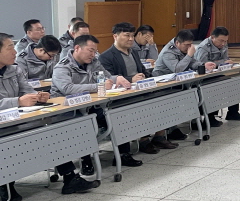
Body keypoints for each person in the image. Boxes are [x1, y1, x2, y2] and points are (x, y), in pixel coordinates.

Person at [0, 33, 98, 200]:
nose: (15, 52)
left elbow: (27, 91)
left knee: (51, 132)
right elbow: (19, 99)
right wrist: (18, 101)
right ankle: (5, 185)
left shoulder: (14, 69)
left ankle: (70, 178)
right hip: (4, 126)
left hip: (18, 120)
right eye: (10, 48)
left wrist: (38, 96)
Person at [51, 34, 143, 170]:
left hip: (90, 105)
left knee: (117, 118)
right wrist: (98, 86)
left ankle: (123, 154)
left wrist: (117, 78)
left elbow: (107, 76)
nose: (93, 54)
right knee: (84, 125)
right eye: (90, 50)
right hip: (68, 109)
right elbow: (67, 89)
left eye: (95, 51)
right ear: (77, 48)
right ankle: (86, 160)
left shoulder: (94, 62)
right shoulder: (62, 67)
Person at [99, 22, 176, 152]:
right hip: (123, 96)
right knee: (143, 105)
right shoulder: (106, 56)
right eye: (126, 35)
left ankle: (159, 136)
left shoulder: (133, 52)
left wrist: (145, 76)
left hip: (140, 89)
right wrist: (131, 79)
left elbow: (142, 70)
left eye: (132, 36)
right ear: (115, 36)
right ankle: (144, 140)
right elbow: (110, 79)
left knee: (164, 98)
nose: (130, 39)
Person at [153, 29, 218, 124]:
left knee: (201, 89)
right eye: (186, 45)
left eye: (190, 44)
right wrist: (189, 55)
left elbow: (192, 63)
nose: (189, 47)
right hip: (164, 84)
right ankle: (176, 126)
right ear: (177, 43)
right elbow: (177, 69)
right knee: (190, 93)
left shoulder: (184, 49)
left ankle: (198, 120)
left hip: (179, 82)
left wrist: (203, 65)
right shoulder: (168, 52)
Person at [195, 26, 240, 121]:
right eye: (221, 41)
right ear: (212, 37)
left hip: (217, 73)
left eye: (225, 41)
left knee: (233, 83)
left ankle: (233, 113)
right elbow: (202, 65)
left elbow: (225, 59)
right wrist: (222, 62)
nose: (223, 44)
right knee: (215, 87)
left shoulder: (223, 44)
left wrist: (226, 62)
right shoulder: (203, 47)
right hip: (204, 77)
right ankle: (210, 117)